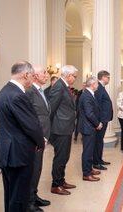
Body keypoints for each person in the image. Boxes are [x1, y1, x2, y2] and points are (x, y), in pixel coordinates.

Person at [0, 61, 45, 212]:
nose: (33, 79)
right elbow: (31, 125)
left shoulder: (4, 91)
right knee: (19, 197)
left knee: (11, 194)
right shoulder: (18, 96)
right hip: (19, 153)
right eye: (32, 76)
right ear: (26, 74)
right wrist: (40, 141)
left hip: (8, 151)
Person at [25, 65, 51, 212]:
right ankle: (29, 201)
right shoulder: (29, 91)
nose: (46, 76)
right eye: (44, 73)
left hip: (42, 136)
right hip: (35, 137)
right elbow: (28, 116)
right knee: (33, 168)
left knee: (38, 167)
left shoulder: (40, 91)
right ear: (35, 75)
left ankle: (34, 195)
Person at [49, 65, 78, 195]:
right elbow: (51, 109)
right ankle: (56, 184)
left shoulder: (64, 87)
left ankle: (61, 181)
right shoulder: (58, 87)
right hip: (60, 128)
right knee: (60, 157)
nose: (75, 79)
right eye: (75, 76)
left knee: (65, 156)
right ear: (68, 76)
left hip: (65, 127)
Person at [78, 76, 102, 181]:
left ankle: (89, 169)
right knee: (87, 151)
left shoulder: (89, 94)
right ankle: (86, 173)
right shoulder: (87, 95)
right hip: (88, 127)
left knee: (90, 149)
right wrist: (97, 124)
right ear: (92, 85)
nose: (98, 85)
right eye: (97, 83)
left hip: (90, 126)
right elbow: (89, 113)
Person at [93, 70, 113, 170]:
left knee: (100, 140)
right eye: (108, 78)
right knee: (98, 141)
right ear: (103, 77)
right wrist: (99, 121)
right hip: (101, 119)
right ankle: (96, 162)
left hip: (104, 118)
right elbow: (98, 105)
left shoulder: (102, 87)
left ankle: (99, 159)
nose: (109, 80)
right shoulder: (98, 88)